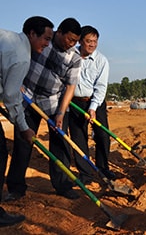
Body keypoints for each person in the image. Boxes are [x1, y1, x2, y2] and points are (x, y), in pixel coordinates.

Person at [6, 18, 82, 201]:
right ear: (59, 32)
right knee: (23, 142)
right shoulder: (41, 41)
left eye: (75, 42)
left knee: (60, 144)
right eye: (69, 39)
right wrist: (19, 84)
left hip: (54, 102)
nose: (71, 44)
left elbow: (70, 87)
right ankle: (16, 188)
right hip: (28, 96)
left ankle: (62, 185)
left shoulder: (75, 58)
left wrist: (61, 113)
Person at [0, 16, 53, 227]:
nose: (47, 44)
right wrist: (23, 128)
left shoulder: (7, 37)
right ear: (32, 33)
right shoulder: (22, 56)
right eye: (45, 39)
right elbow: (12, 98)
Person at [66, 25, 114, 185]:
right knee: (78, 137)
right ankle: (85, 174)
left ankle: (103, 168)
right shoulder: (70, 55)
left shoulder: (102, 61)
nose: (92, 45)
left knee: (102, 135)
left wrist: (93, 108)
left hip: (95, 101)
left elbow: (101, 87)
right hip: (74, 102)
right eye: (88, 41)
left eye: (95, 41)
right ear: (80, 41)